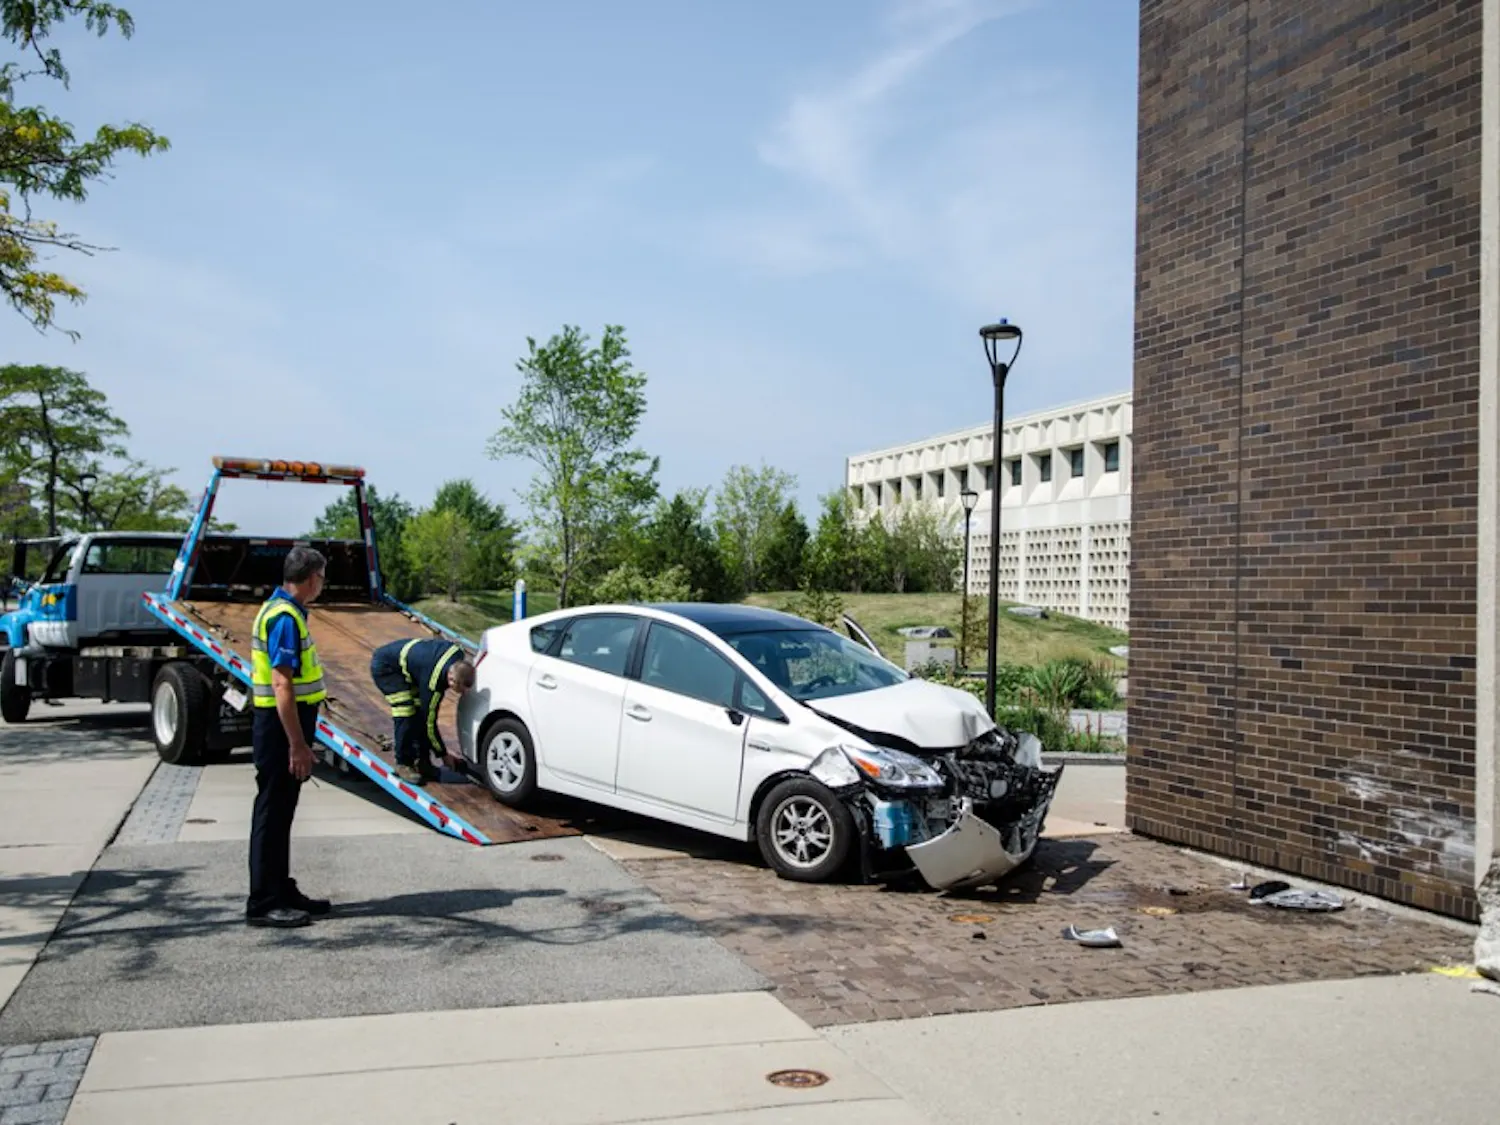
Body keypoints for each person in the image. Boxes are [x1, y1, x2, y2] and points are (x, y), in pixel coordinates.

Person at [245, 545, 332, 928]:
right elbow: (282, 684)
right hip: (280, 730)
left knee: (282, 812)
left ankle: (280, 887)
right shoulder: (284, 618)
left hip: (285, 727)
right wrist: (297, 743)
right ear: (312, 577)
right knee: (272, 811)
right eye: (323, 577)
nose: (323, 584)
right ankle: (264, 902)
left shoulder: (288, 611)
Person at [368, 637, 476, 785]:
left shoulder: (458, 654)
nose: (461, 693)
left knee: (419, 712)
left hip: (412, 668)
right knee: (405, 712)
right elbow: (429, 723)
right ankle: (403, 763)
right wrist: (443, 754)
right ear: (451, 679)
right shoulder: (433, 683)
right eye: (459, 689)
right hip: (387, 668)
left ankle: (423, 761)